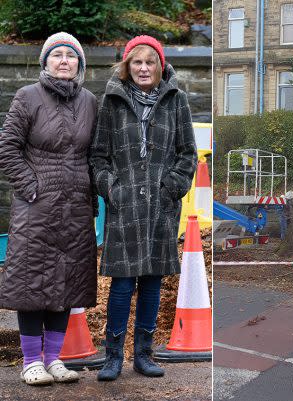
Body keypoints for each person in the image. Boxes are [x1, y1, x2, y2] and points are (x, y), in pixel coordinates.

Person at [90, 35, 197, 381]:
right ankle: (112, 357)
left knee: (152, 283)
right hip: (124, 209)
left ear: (160, 65)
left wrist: (170, 190)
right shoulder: (112, 101)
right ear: (127, 66)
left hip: (161, 210)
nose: (143, 68)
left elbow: (187, 155)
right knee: (122, 286)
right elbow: (98, 158)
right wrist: (114, 191)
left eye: (150, 61)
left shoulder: (176, 100)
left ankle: (144, 354)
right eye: (137, 62)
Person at [0, 32, 97, 386]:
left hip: (75, 208)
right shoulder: (27, 97)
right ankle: (30, 361)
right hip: (36, 207)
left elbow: (93, 156)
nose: (64, 61)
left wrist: (93, 197)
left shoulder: (89, 101)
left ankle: (54, 359)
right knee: (32, 281)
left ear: (79, 64)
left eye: (71, 56)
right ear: (45, 62)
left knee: (66, 282)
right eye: (56, 55)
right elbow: (7, 149)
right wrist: (32, 188)